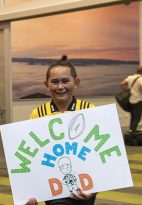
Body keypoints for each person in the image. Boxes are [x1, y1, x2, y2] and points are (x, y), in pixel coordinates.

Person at [25, 55, 96, 205]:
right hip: (53, 186)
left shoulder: (89, 110)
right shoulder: (38, 113)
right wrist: (31, 192)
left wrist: (94, 189)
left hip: (85, 187)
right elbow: (34, 157)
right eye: (54, 82)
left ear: (76, 82)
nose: (60, 87)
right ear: (46, 84)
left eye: (65, 81)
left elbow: (98, 155)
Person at [120, 67, 142, 132]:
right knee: (137, 118)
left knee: (133, 117)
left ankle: (131, 131)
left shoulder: (130, 77)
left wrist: (127, 90)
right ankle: (133, 132)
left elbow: (122, 83)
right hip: (138, 101)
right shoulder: (141, 79)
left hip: (131, 100)